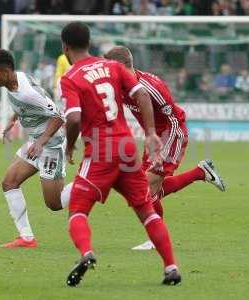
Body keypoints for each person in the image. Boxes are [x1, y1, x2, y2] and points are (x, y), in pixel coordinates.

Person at [59, 22, 181, 286]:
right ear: (89, 42)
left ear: (65, 47)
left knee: (78, 209)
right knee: (146, 210)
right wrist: (149, 134)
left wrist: (69, 146)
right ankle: (171, 266)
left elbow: (74, 119)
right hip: (127, 148)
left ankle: (86, 252)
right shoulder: (114, 67)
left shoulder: (71, 78)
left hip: (101, 151)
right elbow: (142, 96)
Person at [104, 46, 226, 250]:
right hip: (153, 138)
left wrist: (162, 150)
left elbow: (173, 120)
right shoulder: (121, 85)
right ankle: (200, 172)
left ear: (119, 66)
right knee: (145, 191)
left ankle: (155, 239)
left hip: (171, 135)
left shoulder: (150, 87)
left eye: (109, 67)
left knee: (143, 189)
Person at [0, 49, 73, 249]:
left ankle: (92, 182)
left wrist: (42, 142)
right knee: (9, 182)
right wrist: (13, 120)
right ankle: (26, 238)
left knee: (55, 204)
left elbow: (59, 116)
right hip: (36, 142)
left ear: (6, 71)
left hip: (50, 144)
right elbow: (27, 108)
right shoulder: (16, 81)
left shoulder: (27, 92)